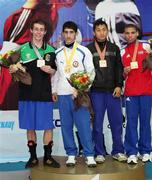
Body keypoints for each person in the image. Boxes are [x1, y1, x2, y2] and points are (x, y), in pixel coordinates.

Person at [0, 0, 76, 110]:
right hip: (18, 69)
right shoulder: (27, 13)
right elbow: (10, 50)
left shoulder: (53, 13)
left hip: (37, 75)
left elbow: (41, 45)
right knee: (12, 101)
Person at [9, 19, 60, 168]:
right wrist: (12, 69)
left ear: (45, 32)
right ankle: (32, 157)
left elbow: (54, 70)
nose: (38, 32)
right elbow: (12, 68)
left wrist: (49, 70)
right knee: (30, 127)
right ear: (31, 30)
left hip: (44, 94)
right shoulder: (22, 49)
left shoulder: (50, 49)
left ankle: (48, 157)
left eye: (41, 29)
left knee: (48, 126)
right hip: (26, 95)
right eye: (36, 29)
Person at [52, 21, 96, 167]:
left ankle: (89, 154)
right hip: (63, 94)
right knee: (66, 126)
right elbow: (56, 74)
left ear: (76, 34)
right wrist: (54, 90)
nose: (69, 35)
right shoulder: (57, 53)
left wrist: (83, 88)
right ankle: (71, 154)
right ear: (63, 34)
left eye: (72, 32)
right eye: (66, 32)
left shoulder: (84, 51)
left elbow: (91, 72)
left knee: (83, 125)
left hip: (80, 95)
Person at [121, 24, 152, 164]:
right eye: (127, 33)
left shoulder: (147, 46)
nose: (130, 35)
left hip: (146, 91)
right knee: (131, 123)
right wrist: (124, 72)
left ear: (137, 33)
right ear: (124, 35)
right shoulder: (122, 51)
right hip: (130, 93)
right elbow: (119, 75)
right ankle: (131, 152)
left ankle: (145, 151)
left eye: (133, 32)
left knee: (145, 122)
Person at [86, 19, 127, 164]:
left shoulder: (114, 48)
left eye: (104, 29)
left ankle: (118, 151)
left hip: (113, 91)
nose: (101, 32)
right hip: (96, 92)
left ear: (107, 31)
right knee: (97, 124)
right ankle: (99, 152)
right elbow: (86, 71)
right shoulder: (88, 49)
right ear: (94, 32)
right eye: (98, 30)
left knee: (116, 123)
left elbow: (119, 69)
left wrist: (118, 86)